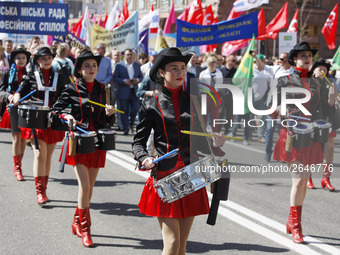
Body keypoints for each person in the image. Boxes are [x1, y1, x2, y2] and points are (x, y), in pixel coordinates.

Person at [132, 47, 225, 255]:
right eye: (173, 68)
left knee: (182, 246)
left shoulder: (194, 100)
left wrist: (216, 142)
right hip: (165, 178)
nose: (180, 72)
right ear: (162, 73)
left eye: (183, 68)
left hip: (191, 176)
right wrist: (145, 157)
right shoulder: (150, 104)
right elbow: (138, 143)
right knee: (172, 244)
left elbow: (201, 143)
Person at [51, 51, 115, 247]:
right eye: (87, 65)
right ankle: (86, 229)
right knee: (85, 186)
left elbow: (107, 120)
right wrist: (66, 117)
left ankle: (76, 222)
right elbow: (56, 110)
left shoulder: (103, 89)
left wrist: (109, 113)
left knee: (90, 188)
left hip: (97, 142)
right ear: (79, 69)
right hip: (79, 141)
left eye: (94, 65)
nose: (91, 69)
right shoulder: (71, 88)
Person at [272, 42, 323, 244]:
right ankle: (296, 226)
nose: (307, 58)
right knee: (299, 180)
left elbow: (321, 109)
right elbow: (273, 105)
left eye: (309, 55)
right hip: (291, 133)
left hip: (310, 134)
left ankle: (291, 220)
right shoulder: (284, 80)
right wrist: (280, 110)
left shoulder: (317, 82)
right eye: (303, 55)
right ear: (294, 59)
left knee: (303, 183)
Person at [11, 46, 69, 206]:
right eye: (43, 58)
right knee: (39, 154)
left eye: (49, 58)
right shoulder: (31, 77)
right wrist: (16, 95)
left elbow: (69, 95)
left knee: (48, 157)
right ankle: (39, 192)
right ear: (38, 61)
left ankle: (44, 188)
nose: (46, 61)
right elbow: (20, 91)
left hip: (54, 120)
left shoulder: (61, 77)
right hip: (37, 121)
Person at [0, 48, 31, 181]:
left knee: (23, 138)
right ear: (14, 60)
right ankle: (17, 167)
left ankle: (20, 163)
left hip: (26, 107)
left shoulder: (30, 75)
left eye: (23, 58)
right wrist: (10, 96)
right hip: (12, 107)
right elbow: (1, 90)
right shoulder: (8, 74)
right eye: (18, 58)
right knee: (16, 137)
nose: (21, 60)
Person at [307, 59, 338, 191]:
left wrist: (332, 100)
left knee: (329, 147)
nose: (322, 71)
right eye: (320, 69)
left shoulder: (330, 84)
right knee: (311, 148)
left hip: (327, 120)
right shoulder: (307, 83)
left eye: (325, 70)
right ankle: (308, 177)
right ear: (313, 71)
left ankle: (326, 178)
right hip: (311, 120)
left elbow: (331, 108)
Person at [113, 49, 143, 135]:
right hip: (123, 90)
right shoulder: (119, 65)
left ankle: (131, 124)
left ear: (133, 56)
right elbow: (115, 78)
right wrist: (124, 81)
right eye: (127, 55)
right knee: (124, 110)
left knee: (134, 109)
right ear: (124, 56)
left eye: (130, 54)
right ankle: (126, 128)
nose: (129, 56)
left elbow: (141, 76)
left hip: (134, 90)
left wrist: (137, 79)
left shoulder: (137, 65)